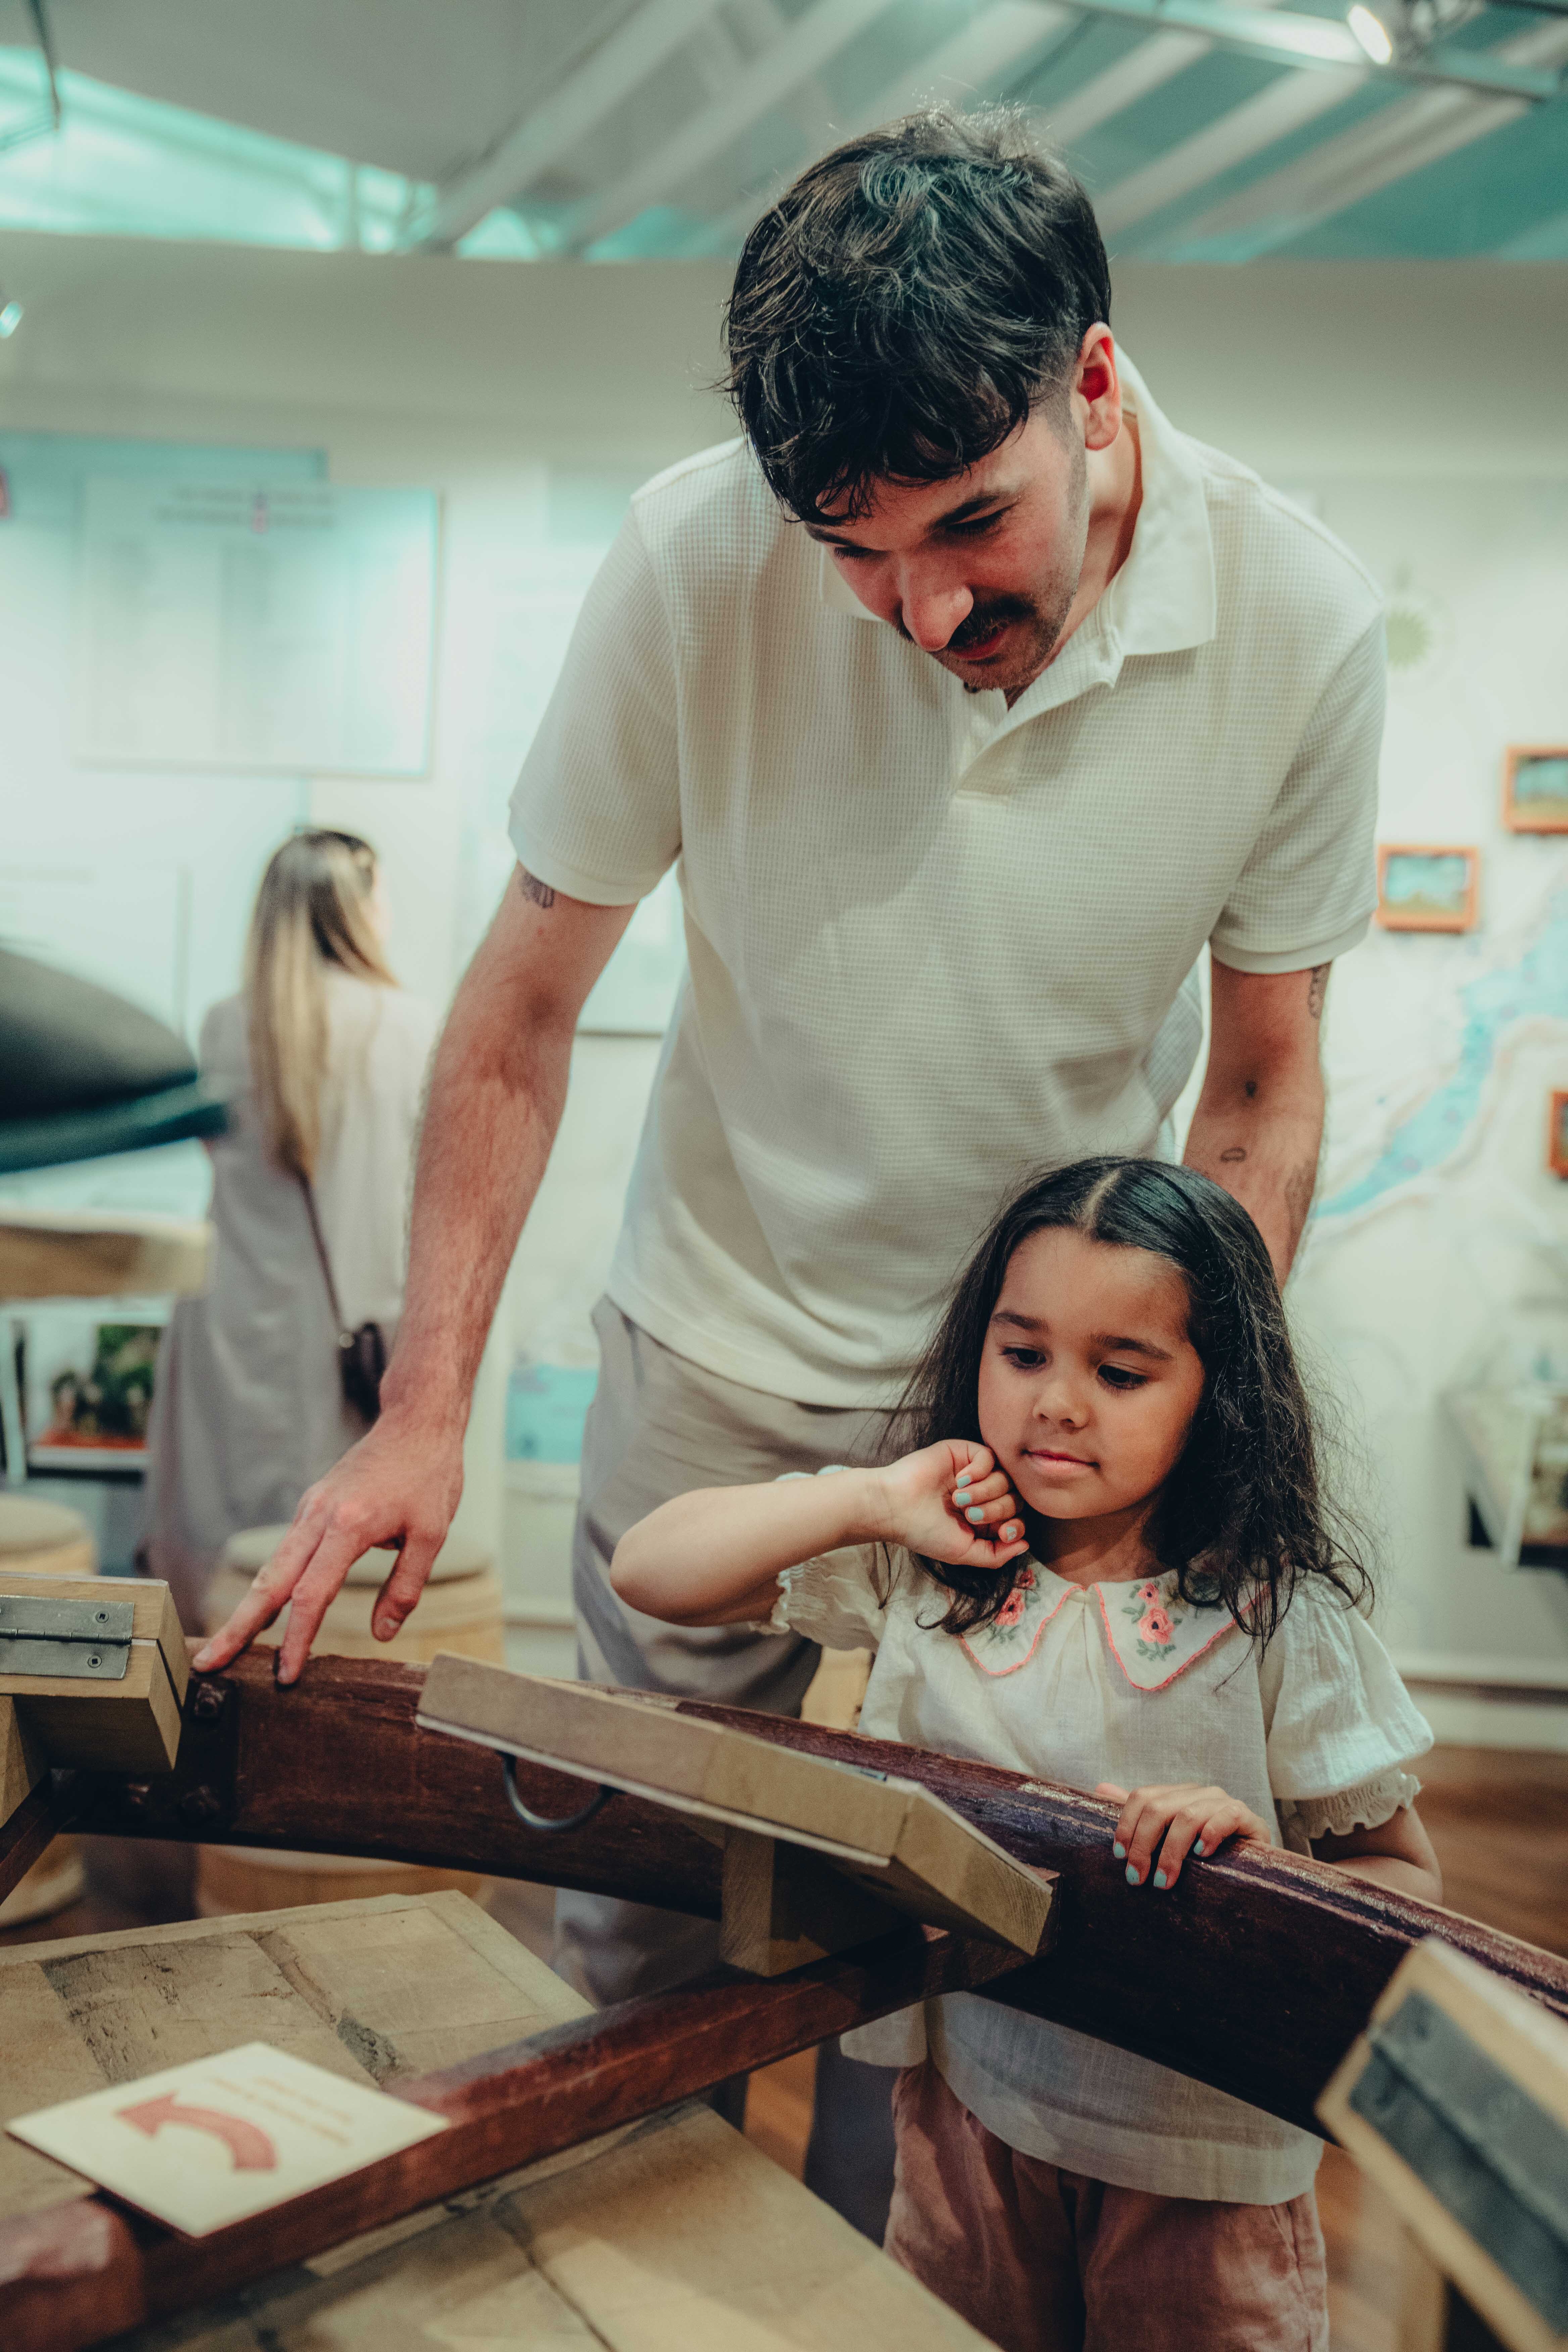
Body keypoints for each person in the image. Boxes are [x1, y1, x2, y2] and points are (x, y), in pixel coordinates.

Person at [194, 110, 1386, 2167]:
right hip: (717, 1349)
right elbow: (515, 1011)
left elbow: (1262, 1086)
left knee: (938, 1961)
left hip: (1034, 1382)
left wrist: (1189, 1435)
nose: (916, 612)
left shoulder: (1294, 614)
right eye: (852, 551)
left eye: (968, 528)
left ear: (1087, 383)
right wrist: (426, 1405)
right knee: (631, 1924)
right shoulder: (686, 554)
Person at [610, 1157, 1440, 2352]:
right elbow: (651, 1567)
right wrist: (871, 1497)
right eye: (1023, 1352)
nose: (1057, 1401)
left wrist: (1260, 1864)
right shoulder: (933, 1562)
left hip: (1195, 2163)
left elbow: (1408, 1884)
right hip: (969, 2116)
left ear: (1221, 1392)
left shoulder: (1273, 1618)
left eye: (1119, 1370)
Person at [141, 830, 436, 1628]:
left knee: (219, 1546)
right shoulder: (407, 1029)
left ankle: (198, 1720)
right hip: (351, 1330)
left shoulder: (223, 1026)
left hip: (229, 1322)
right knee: (319, 1554)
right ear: (354, 908)